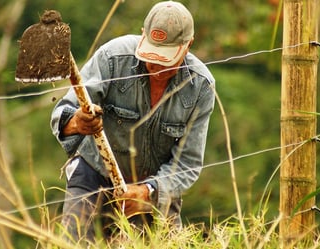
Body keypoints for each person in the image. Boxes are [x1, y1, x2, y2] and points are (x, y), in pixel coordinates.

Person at [50, 0, 215, 242]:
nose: (157, 66)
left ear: (188, 45)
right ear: (143, 36)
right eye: (152, 56)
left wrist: (148, 193)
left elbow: (187, 163)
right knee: (74, 242)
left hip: (154, 189)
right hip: (94, 175)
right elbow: (63, 113)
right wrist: (77, 122)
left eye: (166, 60)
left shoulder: (200, 86)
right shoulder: (112, 58)